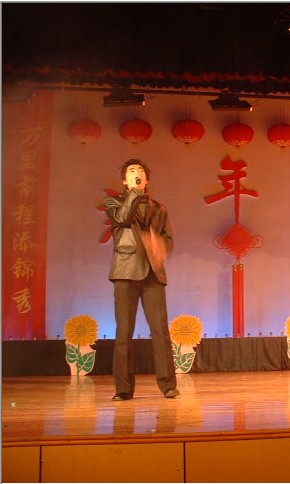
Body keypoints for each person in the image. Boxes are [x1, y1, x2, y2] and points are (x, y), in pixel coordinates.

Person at [104, 158, 179, 400]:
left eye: (140, 171)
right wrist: (134, 194)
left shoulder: (159, 208)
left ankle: (168, 385)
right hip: (125, 272)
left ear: (147, 179)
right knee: (124, 332)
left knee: (160, 330)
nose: (136, 173)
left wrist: (161, 247)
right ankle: (123, 389)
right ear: (124, 181)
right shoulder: (114, 202)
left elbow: (167, 239)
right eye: (131, 171)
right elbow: (123, 218)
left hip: (153, 274)